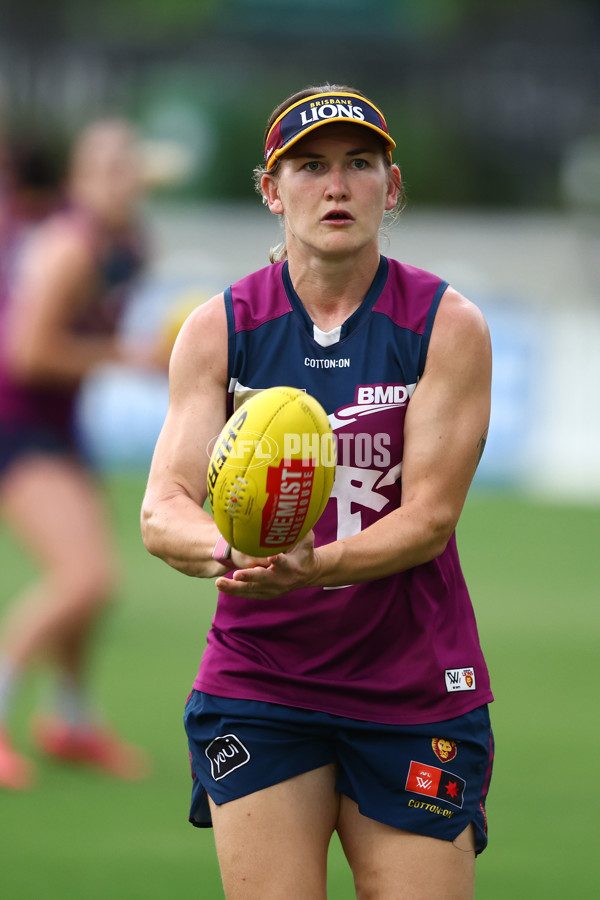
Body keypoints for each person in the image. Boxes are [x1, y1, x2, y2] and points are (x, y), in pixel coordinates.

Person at [141, 84, 494, 900]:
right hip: (259, 679)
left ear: (390, 188)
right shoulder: (219, 328)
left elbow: (430, 522)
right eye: (309, 167)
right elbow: (164, 510)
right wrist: (236, 551)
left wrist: (316, 561)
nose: (336, 187)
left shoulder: (446, 324)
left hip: (413, 682)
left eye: (359, 165)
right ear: (271, 190)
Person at [0, 118, 160, 790]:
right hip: (17, 425)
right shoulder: (71, 245)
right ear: (78, 180)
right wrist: (130, 357)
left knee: (91, 588)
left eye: (129, 163)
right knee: (86, 579)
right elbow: (27, 353)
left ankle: (69, 720)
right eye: (106, 166)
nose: (122, 177)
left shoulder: (128, 244)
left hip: (62, 428)